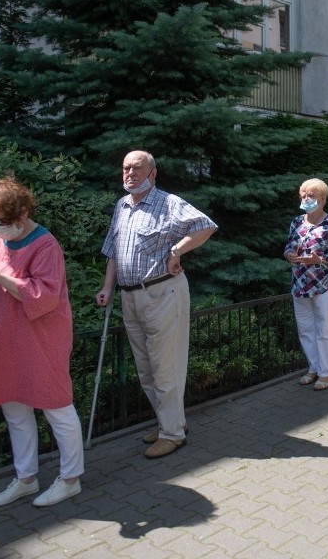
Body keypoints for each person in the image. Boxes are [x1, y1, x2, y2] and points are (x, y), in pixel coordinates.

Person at [0, 177, 84, 507]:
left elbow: (43, 297)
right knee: (15, 410)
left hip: (40, 341)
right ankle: (25, 478)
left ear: (23, 212)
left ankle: (70, 479)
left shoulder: (46, 245)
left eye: (1, 221)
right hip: (2, 340)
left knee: (57, 407)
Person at [95, 150, 217, 459]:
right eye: (126, 168)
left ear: (152, 173)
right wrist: (107, 287)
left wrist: (177, 250)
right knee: (146, 370)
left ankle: (173, 434)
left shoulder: (168, 202)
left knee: (166, 368)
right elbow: (113, 250)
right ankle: (169, 423)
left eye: (137, 168)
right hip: (129, 296)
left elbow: (205, 226)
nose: (130, 173)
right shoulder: (121, 206)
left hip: (162, 293)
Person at [284, 178, 328, 390]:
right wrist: (289, 255)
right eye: (303, 196)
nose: (306, 199)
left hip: (324, 284)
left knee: (325, 330)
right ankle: (313, 368)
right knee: (305, 330)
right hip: (299, 284)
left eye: (311, 196)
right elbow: (289, 245)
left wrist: (319, 259)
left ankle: (326, 373)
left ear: (322, 199)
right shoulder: (297, 222)